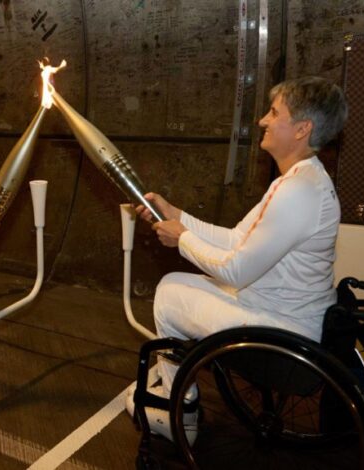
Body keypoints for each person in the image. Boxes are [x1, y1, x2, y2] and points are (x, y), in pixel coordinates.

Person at [129, 76, 348, 445]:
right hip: (281, 314)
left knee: (169, 291)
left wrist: (180, 239)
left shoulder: (298, 191)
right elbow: (235, 240)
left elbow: (235, 268)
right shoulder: (297, 181)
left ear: (302, 129)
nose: (262, 120)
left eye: (274, 112)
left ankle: (182, 408)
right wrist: (177, 214)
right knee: (179, 285)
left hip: (282, 333)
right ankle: (178, 394)